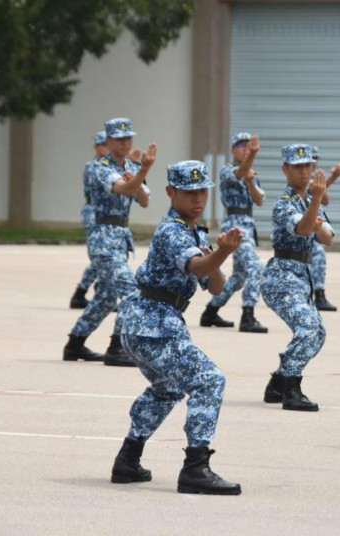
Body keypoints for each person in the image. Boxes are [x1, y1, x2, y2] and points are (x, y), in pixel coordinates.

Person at [111, 160, 242, 495]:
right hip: (153, 325)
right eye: (189, 192)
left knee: (167, 388)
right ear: (171, 193)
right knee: (209, 380)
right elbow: (198, 266)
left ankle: (128, 460)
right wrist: (221, 254)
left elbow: (214, 286)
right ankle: (196, 468)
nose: (198, 198)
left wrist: (219, 254)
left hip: (150, 324)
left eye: (202, 191)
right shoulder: (172, 230)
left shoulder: (194, 231)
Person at [62, 118, 154, 365]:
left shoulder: (132, 166)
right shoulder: (99, 167)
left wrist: (140, 173)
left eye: (129, 138)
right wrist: (142, 171)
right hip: (103, 237)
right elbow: (123, 188)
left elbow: (144, 200)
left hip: (120, 237)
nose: (125, 143)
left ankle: (75, 344)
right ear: (109, 141)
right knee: (131, 292)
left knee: (105, 297)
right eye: (120, 139)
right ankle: (117, 348)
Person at [260, 144, 334, 412]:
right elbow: (304, 229)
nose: (304, 171)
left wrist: (315, 212)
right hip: (281, 279)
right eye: (297, 166)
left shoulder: (307, 202)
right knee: (309, 330)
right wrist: (315, 204)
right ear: (285, 169)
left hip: (300, 278)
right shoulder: (285, 204)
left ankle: (278, 383)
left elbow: (328, 237)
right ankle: (291, 389)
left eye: (308, 166)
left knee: (318, 332)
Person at [199, 132, 268, 333]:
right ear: (232, 150)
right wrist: (251, 158)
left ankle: (210, 311)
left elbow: (259, 200)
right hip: (235, 227)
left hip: (248, 225)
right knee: (255, 267)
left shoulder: (251, 174)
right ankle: (248, 315)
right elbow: (238, 174)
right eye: (241, 146)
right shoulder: (226, 170)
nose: (245, 149)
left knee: (238, 277)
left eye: (248, 146)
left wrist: (250, 182)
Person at [69, 131, 108, 309]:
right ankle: (82, 293)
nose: (105, 148)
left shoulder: (110, 165)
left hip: (105, 215)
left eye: (107, 144)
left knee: (104, 257)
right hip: (94, 213)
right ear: (96, 147)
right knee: (100, 257)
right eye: (102, 145)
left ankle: (96, 294)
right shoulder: (94, 166)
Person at [309, 146, 340, 312]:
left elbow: (325, 199)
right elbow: (313, 190)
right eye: (312, 158)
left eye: (316, 158)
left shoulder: (315, 179)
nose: (314, 162)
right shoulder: (302, 178)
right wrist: (334, 177)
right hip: (301, 224)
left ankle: (319, 295)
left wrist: (323, 186)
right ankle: (316, 294)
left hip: (314, 225)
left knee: (318, 255)